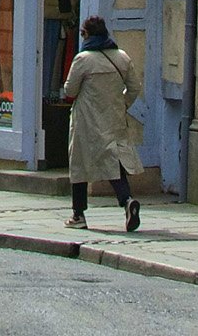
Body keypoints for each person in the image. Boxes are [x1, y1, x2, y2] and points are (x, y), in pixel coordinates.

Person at [63, 15, 142, 232]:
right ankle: (126, 201)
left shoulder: (83, 59)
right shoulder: (122, 58)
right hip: (113, 117)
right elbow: (135, 87)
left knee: (79, 163)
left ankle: (78, 214)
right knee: (113, 161)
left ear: (86, 34)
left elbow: (70, 91)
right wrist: (122, 103)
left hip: (87, 119)